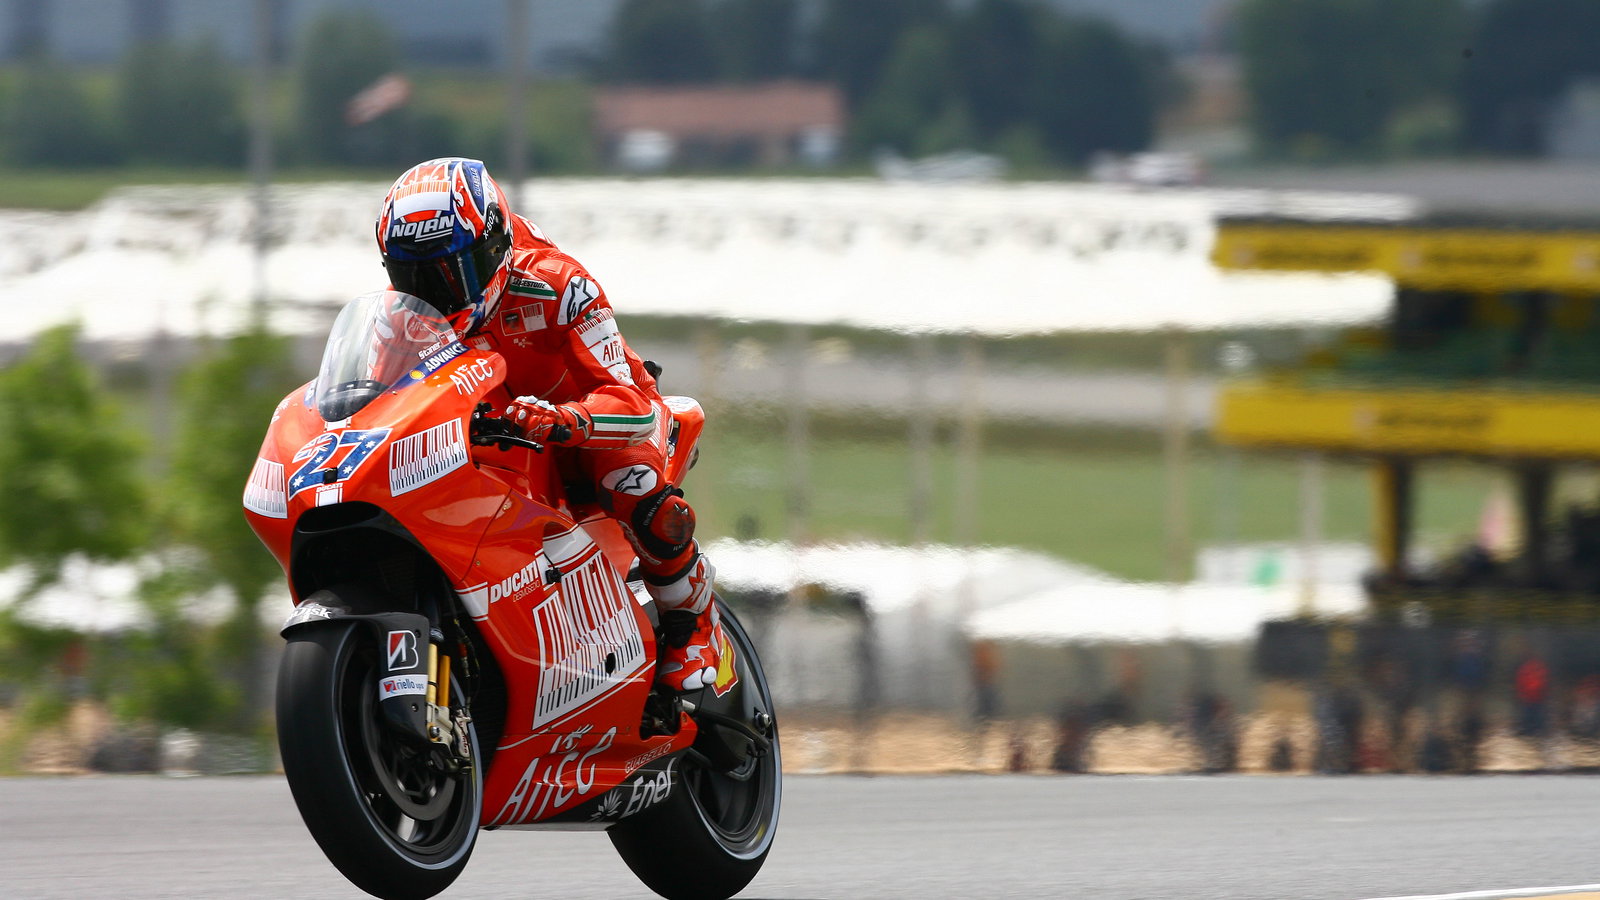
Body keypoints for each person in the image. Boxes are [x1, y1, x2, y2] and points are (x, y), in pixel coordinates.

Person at [375, 157, 721, 692]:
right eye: (412, 275)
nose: (434, 293)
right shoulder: (400, 322)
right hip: (491, 439)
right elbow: (379, 403)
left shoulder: (559, 286)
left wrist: (564, 420)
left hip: (590, 427)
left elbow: (631, 401)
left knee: (635, 487)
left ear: (491, 248)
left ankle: (694, 629)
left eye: (449, 272)